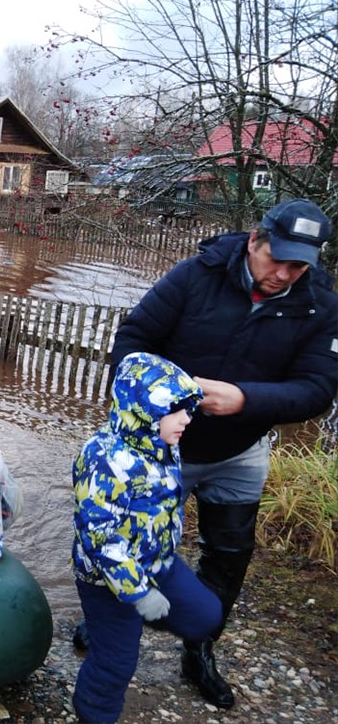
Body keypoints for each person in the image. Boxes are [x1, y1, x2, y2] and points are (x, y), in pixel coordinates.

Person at [93, 198, 338, 709]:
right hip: (161, 448)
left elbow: (317, 388)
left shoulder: (320, 305)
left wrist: (246, 400)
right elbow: (134, 339)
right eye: (277, 259)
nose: (284, 274)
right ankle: (107, 623)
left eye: (298, 267)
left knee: (228, 558)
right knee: (128, 539)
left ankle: (199, 648)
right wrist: (154, 408)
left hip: (240, 451)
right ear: (254, 240)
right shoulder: (195, 276)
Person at [71, 351, 222, 724]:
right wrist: (138, 593)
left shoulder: (163, 444)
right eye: (176, 411)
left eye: (188, 409)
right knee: (116, 663)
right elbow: (100, 539)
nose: (187, 419)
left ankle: (134, 619)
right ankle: (92, 714)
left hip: (156, 562)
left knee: (207, 616)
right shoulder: (103, 458)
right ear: (145, 410)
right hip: (107, 580)